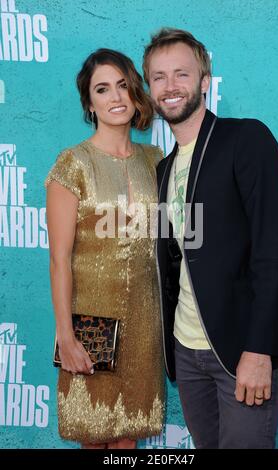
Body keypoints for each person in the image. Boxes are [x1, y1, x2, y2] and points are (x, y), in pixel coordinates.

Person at [143, 28, 278, 449]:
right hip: (187, 352)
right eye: (159, 77)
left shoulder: (246, 140)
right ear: (150, 88)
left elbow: (273, 249)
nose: (170, 86)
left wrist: (260, 349)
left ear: (205, 81)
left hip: (242, 351)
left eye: (181, 74)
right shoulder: (162, 170)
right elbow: (173, 262)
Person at [45, 48, 164, 449]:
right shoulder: (73, 163)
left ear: (135, 93)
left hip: (145, 319)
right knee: (93, 434)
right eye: (102, 89)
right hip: (91, 321)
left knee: (129, 438)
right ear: (89, 103)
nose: (115, 97)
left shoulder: (156, 159)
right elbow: (59, 259)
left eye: (123, 85)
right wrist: (66, 335)